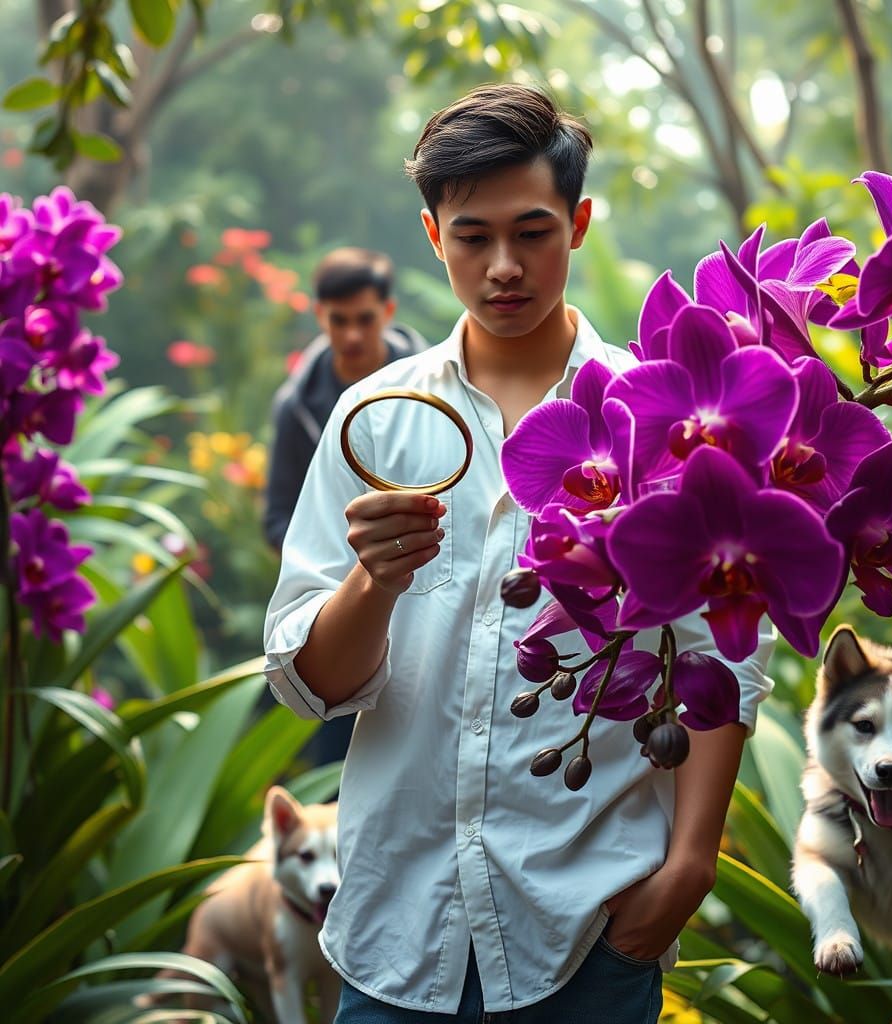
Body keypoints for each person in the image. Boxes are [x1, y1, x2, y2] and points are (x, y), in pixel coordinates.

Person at [264, 84, 774, 1023]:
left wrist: (690, 866)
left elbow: (721, 654)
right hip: (395, 928)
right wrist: (374, 581)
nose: (504, 266)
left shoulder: (656, 414)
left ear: (579, 224)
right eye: (472, 237)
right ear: (431, 237)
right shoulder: (372, 423)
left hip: (585, 927)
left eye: (533, 231)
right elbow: (312, 684)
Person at [263, 247, 427, 551]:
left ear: (388, 311)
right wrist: (326, 565)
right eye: (339, 321)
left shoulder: (432, 391)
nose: (352, 335)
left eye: (365, 319)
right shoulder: (296, 407)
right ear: (320, 315)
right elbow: (279, 516)